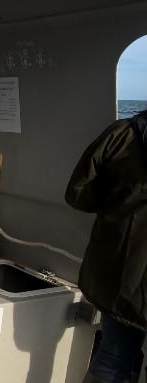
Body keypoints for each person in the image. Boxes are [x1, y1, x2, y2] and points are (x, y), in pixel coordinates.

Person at [65, 109, 147, 383]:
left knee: (112, 360)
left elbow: (78, 194)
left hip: (120, 277)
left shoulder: (122, 135)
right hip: (124, 281)